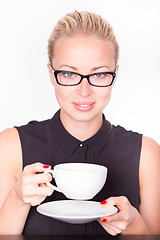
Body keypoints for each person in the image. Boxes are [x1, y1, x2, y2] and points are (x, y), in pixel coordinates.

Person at [0, 10, 159, 236]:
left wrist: (134, 224)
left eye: (99, 75)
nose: (84, 91)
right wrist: (18, 199)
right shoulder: (10, 146)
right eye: (69, 74)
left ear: (115, 74)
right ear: (51, 73)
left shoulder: (147, 154)